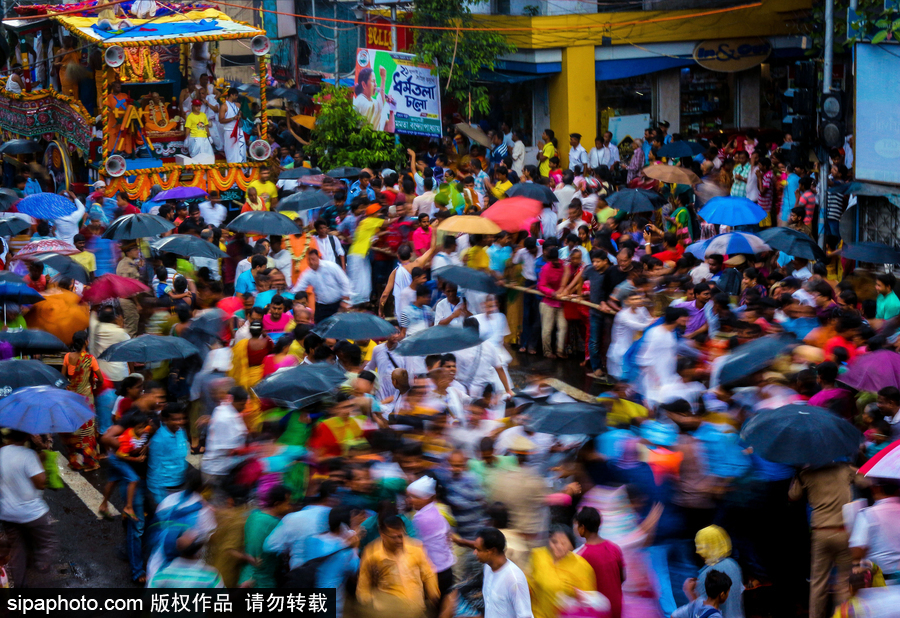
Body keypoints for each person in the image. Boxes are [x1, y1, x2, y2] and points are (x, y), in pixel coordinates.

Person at [0, 430, 58, 589]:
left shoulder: (1, 453)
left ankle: (19, 593)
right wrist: (42, 454)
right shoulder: (28, 455)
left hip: (7, 513)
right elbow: (40, 483)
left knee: (16, 553)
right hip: (33, 514)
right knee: (48, 541)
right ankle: (41, 562)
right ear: (27, 436)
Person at [356, 515, 440, 617]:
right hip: (388, 612)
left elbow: (428, 573)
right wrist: (368, 604)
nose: (400, 540)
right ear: (382, 535)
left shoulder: (415, 548)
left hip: (416, 609)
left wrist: (433, 593)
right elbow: (364, 584)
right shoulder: (372, 554)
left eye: (401, 536)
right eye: (394, 537)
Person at [407, 476, 456, 612]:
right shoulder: (436, 511)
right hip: (446, 568)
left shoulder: (420, 518)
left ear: (429, 497)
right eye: (410, 496)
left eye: (416, 497)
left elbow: (414, 545)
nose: (411, 500)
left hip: (434, 573)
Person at [528, 525, 597, 618]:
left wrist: (576, 594)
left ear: (571, 545)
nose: (558, 547)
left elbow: (589, 602)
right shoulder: (538, 556)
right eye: (554, 542)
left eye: (563, 543)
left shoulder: (582, 566)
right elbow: (528, 583)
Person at [60, 330, 102, 471]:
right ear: (86, 342)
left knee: (75, 429)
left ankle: (76, 461)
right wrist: (91, 384)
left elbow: (62, 378)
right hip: (86, 399)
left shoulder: (67, 357)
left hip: (72, 398)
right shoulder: (90, 359)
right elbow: (100, 379)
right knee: (87, 430)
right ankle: (90, 461)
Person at [575, 506, 626, 618]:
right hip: (617, 608)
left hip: (597, 611)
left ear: (582, 527)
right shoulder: (614, 548)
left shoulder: (580, 555)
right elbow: (622, 578)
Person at [685, 526, 744, 618]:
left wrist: (690, 593)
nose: (697, 551)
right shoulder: (733, 565)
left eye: (700, 547)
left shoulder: (707, 576)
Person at [474, 527, 534, 618]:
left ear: (492, 551)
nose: (474, 553)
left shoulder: (514, 580)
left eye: (478, 550)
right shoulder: (487, 567)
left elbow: (525, 616)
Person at [291, 249, 352, 322]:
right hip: (322, 306)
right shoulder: (307, 274)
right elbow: (298, 289)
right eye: (309, 260)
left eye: (313, 259)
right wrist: (287, 296)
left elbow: (344, 281)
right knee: (319, 327)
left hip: (337, 304)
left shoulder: (331, 266)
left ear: (318, 258)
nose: (311, 262)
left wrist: (346, 300)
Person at [147, 405, 189, 505]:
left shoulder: (181, 432)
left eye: (182, 418)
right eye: (176, 419)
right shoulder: (159, 440)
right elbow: (155, 469)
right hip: (165, 489)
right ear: (166, 420)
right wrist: (160, 499)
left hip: (181, 484)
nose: (180, 422)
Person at [353, 66, 395, 133]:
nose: (375, 84)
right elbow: (378, 106)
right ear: (364, 84)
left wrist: (392, 110)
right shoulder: (359, 101)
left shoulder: (374, 102)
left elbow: (390, 129)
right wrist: (383, 78)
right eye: (373, 81)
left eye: (375, 81)